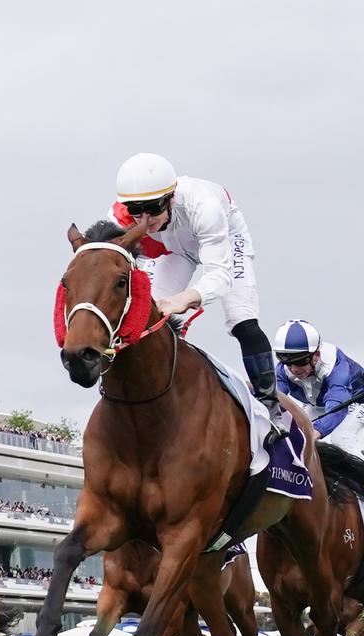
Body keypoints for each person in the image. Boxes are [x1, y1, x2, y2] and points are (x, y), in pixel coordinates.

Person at [112, 153, 283, 434]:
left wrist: (184, 298)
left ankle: (270, 405)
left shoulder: (205, 205)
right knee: (150, 318)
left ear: (171, 198)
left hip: (225, 238)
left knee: (242, 321)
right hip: (176, 252)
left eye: (153, 209)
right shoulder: (119, 216)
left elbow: (220, 275)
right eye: (136, 210)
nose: (145, 220)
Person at [273, 320, 364, 456]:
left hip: (354, 402)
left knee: (341, 438)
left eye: (299, 361)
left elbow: (336, 410)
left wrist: (314, 432)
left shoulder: (338, 368)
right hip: (317, 405)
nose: (294, 369)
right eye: (288, 362)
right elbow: (274, 401)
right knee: (293, 435)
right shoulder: (283, 370)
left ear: (316, 356)